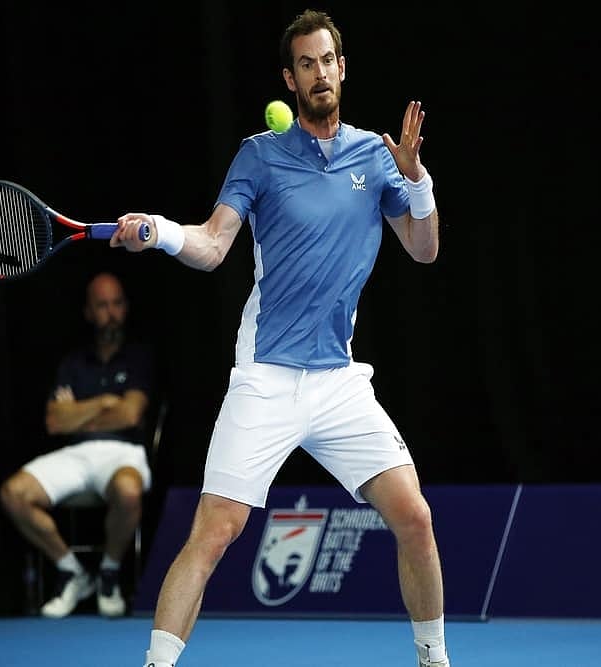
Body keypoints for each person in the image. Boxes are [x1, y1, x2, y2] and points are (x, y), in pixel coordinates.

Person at [110, 9, 449, 666]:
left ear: (342, 69)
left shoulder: (376, 157)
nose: (319, 74)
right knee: (214, 532)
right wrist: (159, 231)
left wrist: (416, 180)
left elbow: (424, 248)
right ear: (290, 80)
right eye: (305, 64)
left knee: (415, 517)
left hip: (339, 382)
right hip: (266, 376)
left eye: (327, 61)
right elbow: (213, 244)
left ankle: (434, 658)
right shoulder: (258, 155)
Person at [0, 271, 155, 619]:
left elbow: (130, 414)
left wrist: (80, 412)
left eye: (116, 304)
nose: (110, 313)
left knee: (129, 492)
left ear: (126, 308)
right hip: (77, 454)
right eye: (102, 305)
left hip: (123, 454)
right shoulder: (73, 362)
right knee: (13, 494)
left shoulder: (138, 356)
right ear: (88, 312)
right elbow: (55, 422)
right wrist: (105, 403)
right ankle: (72, 571)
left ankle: (109, 574)